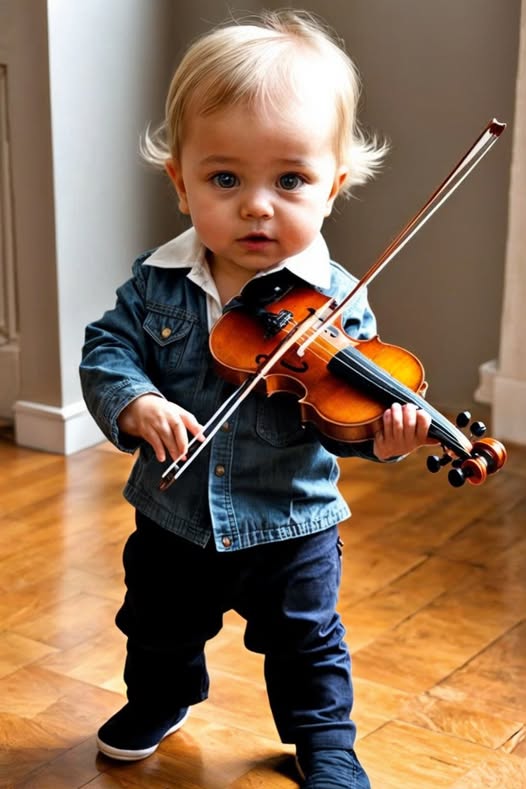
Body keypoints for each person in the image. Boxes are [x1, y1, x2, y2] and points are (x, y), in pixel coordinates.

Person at [80, 10, 433, 788]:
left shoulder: (340, 305)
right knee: (156, 626)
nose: (258, 205)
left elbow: (338, 410)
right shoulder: (157, 282)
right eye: (225, 178)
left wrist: (383, 436)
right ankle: (163, 698)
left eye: (292, 180)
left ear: (335, 186)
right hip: (176, 514)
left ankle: (323, 740)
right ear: (181, 182)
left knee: (308, 642)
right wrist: (134, 401)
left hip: (293, 520)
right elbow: (108, 349)